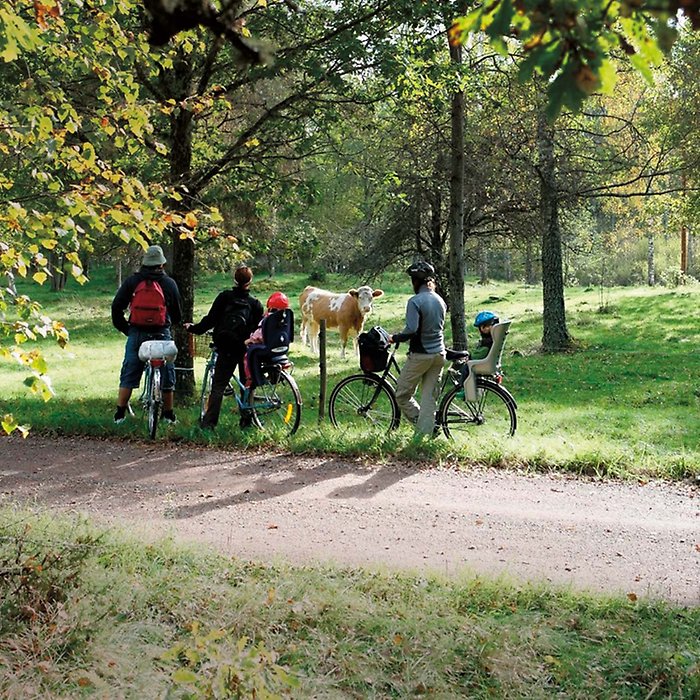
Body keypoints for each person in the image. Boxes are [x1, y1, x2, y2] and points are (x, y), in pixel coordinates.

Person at [184, 265, 263, 429]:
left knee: (218, 385)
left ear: (234, 280)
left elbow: (210, 320)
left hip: (226, 347)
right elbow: (257, 328)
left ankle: (209, 424)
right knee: (246, 384)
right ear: (250, 281)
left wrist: (193, 328)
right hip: (245, 349)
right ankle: (247, 421)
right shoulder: (255, 304)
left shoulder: (224, 297)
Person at [112, 244, 182, 424]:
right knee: (167, 372)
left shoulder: (132, 282)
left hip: (137, 332)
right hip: (161, 334)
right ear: (162, 264)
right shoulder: (169, 283)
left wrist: (126, 329)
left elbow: (116, 307)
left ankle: (119, 414)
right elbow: (177, 314)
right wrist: (169, 324)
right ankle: (168, 415)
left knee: (129, 372)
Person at [388, 261, 447, 436]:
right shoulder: (440, 300)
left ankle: (422, 426)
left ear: (415, 281)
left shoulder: (415, 301)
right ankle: (427, 433)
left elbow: (412, 330)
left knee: (401, 395)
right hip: (439, 354)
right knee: (429, 399)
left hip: (421, 355)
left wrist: (395, 338)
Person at [243, 291, 291, 388]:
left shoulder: (269, 319)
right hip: (282, 348)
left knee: (249, 355)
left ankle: (251, 378)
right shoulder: (286, 317)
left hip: (267, 349)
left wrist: (250, 340)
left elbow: (259, 335)